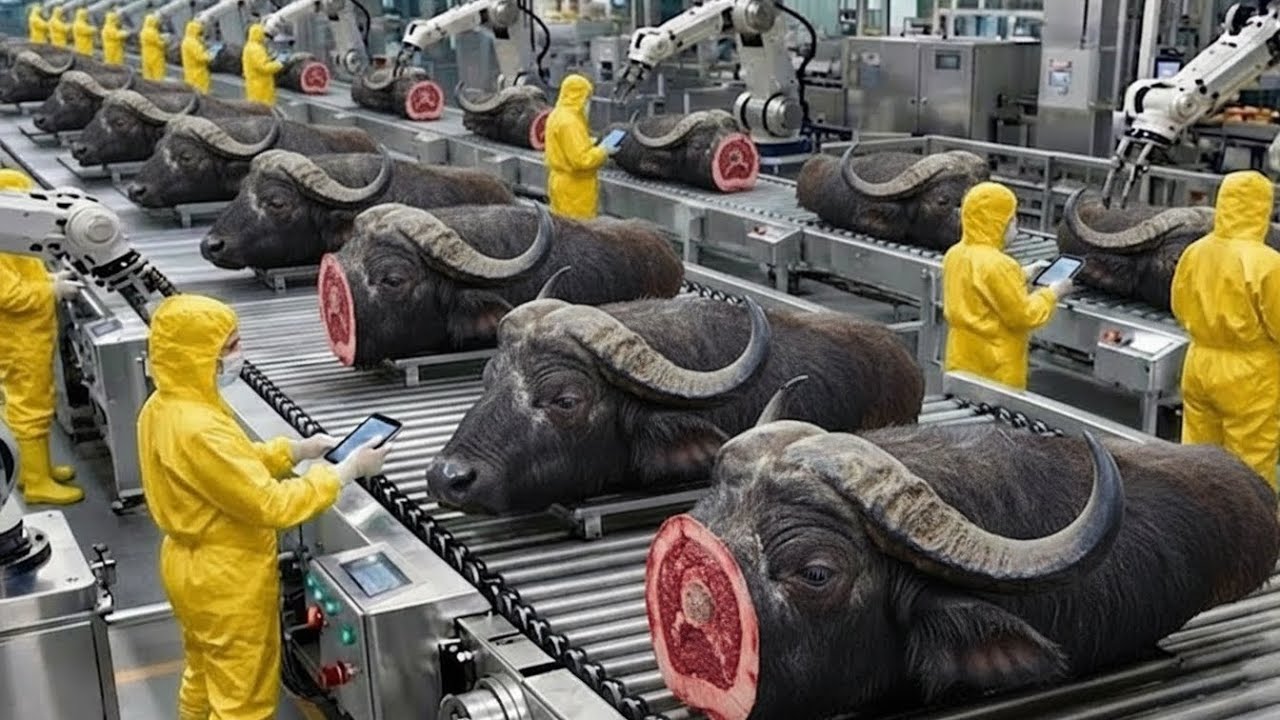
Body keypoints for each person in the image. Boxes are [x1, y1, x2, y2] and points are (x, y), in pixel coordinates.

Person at [138, 293, 392, 719]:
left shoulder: (165, 406)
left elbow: (225, 467)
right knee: (243, 699)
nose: (239, 354)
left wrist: (294, 450)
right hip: (226, 577)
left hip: (186, 566)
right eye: (230, 346)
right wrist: (344, 471)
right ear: (199, 357)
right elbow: (270, 504)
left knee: (204, 671)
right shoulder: (200, 428)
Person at [1171, 170, 1280, 488]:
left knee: (1196, 460)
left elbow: (1179, 304)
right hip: (1249, 377)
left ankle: (1195, 515)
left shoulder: (1196, 251)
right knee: (1249, 468)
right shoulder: (1267, 263)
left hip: (1199, 364)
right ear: (1262, 208)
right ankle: (1248, 521)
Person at [0, 168, 85, 505]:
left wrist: (52, 278)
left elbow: (24, 275)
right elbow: (11, 295)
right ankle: (37, 483)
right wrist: (52, 291)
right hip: (18, 340)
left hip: (29, 335)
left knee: (32, 402)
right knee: (30, 406)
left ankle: (33, 469)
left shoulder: (10, 236)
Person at [942, 181, 1073, 390]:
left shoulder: (955, 254)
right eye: (1011, 218)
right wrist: (1053, 293)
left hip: (961, 359)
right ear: (998, 222)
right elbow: (1024, 316)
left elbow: (981, 284)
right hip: (995, 369)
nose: (1015, 223)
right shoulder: (1001, 265)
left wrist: (1024, 273)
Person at [544, 73, 612, 220]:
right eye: (587, 98)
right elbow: (581, 160)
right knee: (578, 229)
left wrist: (588, 142)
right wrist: (603, 151)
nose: (588, 103)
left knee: (561, 226)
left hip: (560, 183)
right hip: (575, 190)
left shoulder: (557, 114)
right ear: (579, 97)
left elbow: (565, 146)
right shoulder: (570, 122)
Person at [241, 23, 282, 105]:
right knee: (263, 108)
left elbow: (257, 63)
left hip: (253, 84)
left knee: (254, 106)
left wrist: (269, 59)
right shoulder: (256, 49)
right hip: (261, 87)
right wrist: (278, 64)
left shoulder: (249, 46)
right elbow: (264, 67)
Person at [180, 19, 211, 93]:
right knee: (201, 93)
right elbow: (201, 57)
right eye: (200, 33)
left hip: (190, 72)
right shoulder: (193, 43)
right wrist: (209, 56)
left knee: (192, 92)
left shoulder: (186, 40)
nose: (201, 35)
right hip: (198, 74)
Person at [140, 14, 166, 81]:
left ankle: (147, 86)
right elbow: (159, 43)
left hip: (146, 55)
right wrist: (165, 42)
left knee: (147, 75)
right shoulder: (153, 32)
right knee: (157, 76)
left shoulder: (143, 31)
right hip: (155, 57)